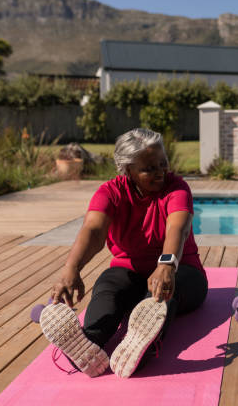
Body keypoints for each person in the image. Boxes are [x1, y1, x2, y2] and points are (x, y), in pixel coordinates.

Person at [39, 128, 207, 378]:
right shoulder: (111, 192)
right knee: (107, 287)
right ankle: (89, 344)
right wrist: (71, 269)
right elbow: (94, 230)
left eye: (163, 163)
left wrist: (167, 265)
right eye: (149, 168)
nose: (160, 171)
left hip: (182, 271)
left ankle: (143, 347)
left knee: (160, 296)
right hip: (128, 270)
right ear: (127, 170)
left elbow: (178, 228)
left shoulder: (177, 187)